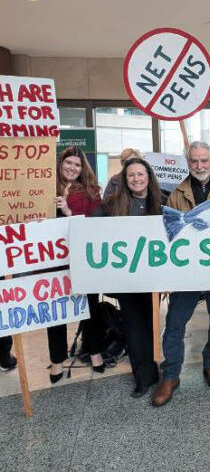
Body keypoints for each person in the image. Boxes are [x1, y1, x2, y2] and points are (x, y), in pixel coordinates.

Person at [151, 141, 210, 407]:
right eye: (194, 161)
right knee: (176, 322)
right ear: (187, 163)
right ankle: (171, 374)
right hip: (185, 270)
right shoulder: (176, 193)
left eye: (204, 161)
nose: (199, 166)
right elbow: (169, 234)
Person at [95, 158, 163, 398]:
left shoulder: (161, 202)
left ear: (148, 177)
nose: (136, 179)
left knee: (151, 324)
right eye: (131, 175)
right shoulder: (111, 205)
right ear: (124, 179)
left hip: (154, 277)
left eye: (140, 174)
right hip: (126, 278)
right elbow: (91, 231)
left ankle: (154, 368)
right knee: (134, 326)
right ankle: (142, 378)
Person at [49, 146, 106, 383]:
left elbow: (95, 225)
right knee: (55, 311)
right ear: (60, 163)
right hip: (52, 262)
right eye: (68, 163)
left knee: (90, 308)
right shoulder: (45, 188)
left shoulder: (91, 192)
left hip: (82, 260)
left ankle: (95, 352)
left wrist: (68, 210)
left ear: (83, 169)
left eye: (77, 164)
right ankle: (56, 360)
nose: (72, 168)